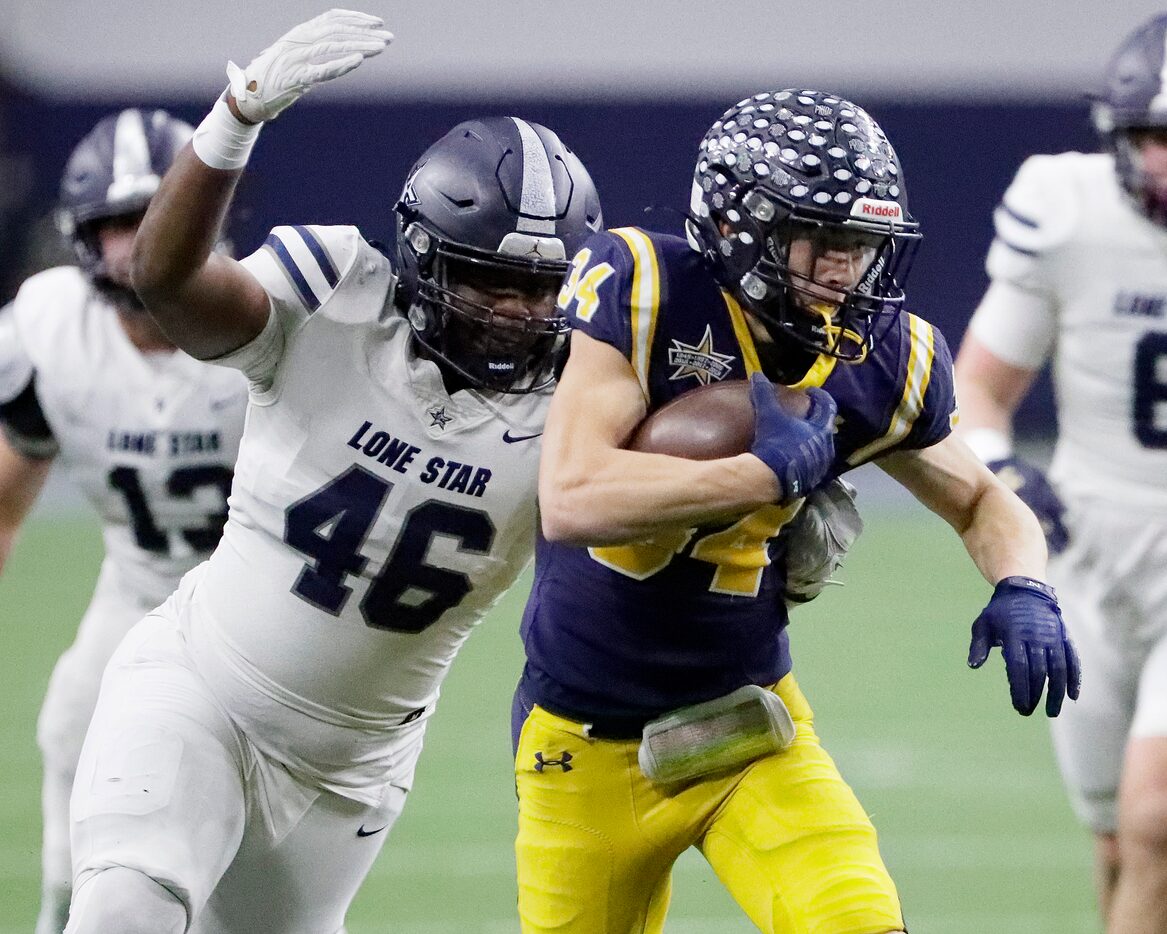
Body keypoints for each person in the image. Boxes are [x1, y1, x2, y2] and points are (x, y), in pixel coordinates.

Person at [60, 10, 610, 933]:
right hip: (201, 690)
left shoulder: (581, 392)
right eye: (490, 280)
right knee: (125, 909)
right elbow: (165, 279)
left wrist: (772, 492)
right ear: (424, 256)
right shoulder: (333, 295)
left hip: (354, 770)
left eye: (541, 289)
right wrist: (232, 121)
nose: (518, 311)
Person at [512, 88, 1082, 934]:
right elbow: (570, 498)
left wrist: (1024, 585)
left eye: (862, 246)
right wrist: (757, 476)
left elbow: (980, 497)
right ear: (742, 227)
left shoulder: (880, 361)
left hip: (748, 729)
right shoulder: (647, 290)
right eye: (824, 240)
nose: (843, 269)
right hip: (581, 745)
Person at [0, 107, 250, 934]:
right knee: (70, 720)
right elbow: (7, 490)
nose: (139, 245)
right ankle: (66, 912)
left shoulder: (261, 323)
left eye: (155, 217)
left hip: (263, 600)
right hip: (140, 584)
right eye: (117, 225)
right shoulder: (47, 328)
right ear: (79, 236)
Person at [953, 14, 1167, 933]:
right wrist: (1007, 474)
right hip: (1089, 548)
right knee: (1117, 838)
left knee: (1158, 823)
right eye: (1155, 139)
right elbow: (979, 391)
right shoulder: (1067, 210)